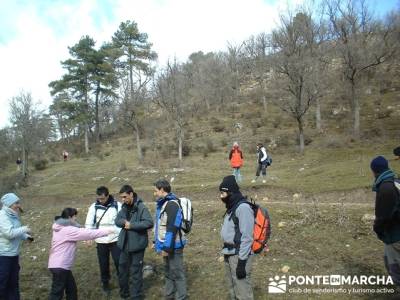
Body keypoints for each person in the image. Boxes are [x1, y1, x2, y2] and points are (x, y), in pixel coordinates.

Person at [48, 207, 114, 300]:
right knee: (56, 293)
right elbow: (86, 233)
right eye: (75, 217)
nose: (76, 219)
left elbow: (79, 230)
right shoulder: (67, 230)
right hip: (60, 266)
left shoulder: (60, 227)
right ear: (70, 217)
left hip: (60, 265)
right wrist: (106, 231)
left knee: (72, 290)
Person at [115, 185, 153, 300]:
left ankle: (136, 296)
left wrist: (132, 225)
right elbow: (117, 220)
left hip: (137, 246)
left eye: (125, 197)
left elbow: (149, 222)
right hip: (124, 246)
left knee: (136, 272)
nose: (123, 199)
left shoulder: (141, 207)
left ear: (131, 194)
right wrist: (123, 222)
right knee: (122, 271)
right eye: (121, 197)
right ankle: (124, 294)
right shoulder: (124, 207)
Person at [219, 175, 254, 300]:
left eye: (223, 193)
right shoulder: (231, 207)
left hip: (239, 255)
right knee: (233, 288)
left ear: (231, 192)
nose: (221, 196)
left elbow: (247, 237)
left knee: (243, 291)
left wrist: (242, 262)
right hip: (229, 253)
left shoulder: (243, 208)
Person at [154, 179, 187, 300]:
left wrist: (167, 247)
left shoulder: (172, 204)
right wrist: (156, 242)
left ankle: (182, 297)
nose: (155, 193)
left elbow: (172, 227)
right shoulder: (163, 203)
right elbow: (160, 226)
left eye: (156, 191)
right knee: (168, 272)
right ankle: (169, 295)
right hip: (167, 244)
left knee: (177, 272)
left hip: (174, 245)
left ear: (162, 190)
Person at [84, 186, 122, 292]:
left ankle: (122, 281)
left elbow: (122, 221)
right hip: (101, 241)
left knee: (119, 261)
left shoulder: (117, 206)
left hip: (115, 239)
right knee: (103, 263)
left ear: (108, 195)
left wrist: (119, 234)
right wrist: (88, 237)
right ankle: (105, 283)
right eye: (98, 198)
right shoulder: (93, 207)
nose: (100, 201)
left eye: (102, 198)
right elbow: (89, 223)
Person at [370, 156, 400, 285]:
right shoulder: (396, 181)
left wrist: (378, 229)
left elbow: (384, 216)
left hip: (395, 235)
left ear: (374, 170)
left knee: (394, 267)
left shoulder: (386, 188)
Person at [0, 193, 33, 300]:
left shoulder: (13, 214)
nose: (19, 205)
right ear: (9, 204)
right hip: (3, 255)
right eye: (16, 203)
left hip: (13, 253)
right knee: (3, 282)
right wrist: (24, 229)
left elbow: (16, 231)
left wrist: (26, 237)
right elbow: (9, 233)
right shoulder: (2, 216)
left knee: (13, 282)